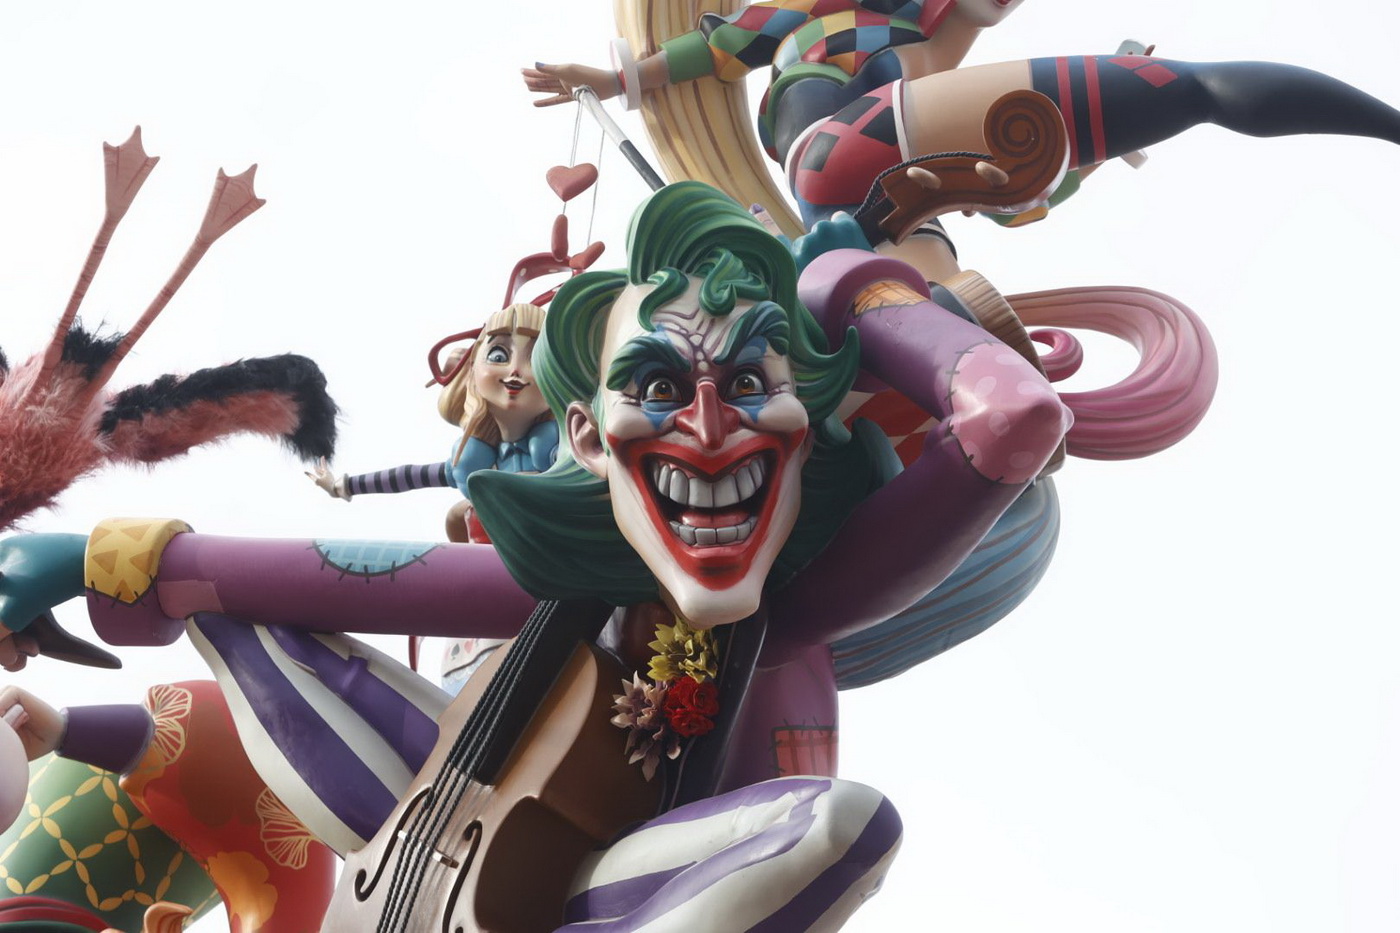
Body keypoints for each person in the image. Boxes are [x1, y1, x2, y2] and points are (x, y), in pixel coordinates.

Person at [0, 182, 1068, 929]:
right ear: (589, 438)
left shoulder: (803, 597)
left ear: (803, 424)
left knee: (838, 827)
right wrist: (99, 556)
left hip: (641, 883)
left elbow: (1009, 417)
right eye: (658, 386)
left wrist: (855, 287)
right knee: (248, 638)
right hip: (416, 835)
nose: (706, 427)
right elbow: (346, 579)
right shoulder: (570, 573)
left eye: (749, 385)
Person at [526, 0, 1400, 238]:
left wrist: (1091, 153)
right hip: (828, 150)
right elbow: (721, 46)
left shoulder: (935, 73)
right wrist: (613, 77)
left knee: (1177, 94)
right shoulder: (826, 17)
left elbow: (1011, 197)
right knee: (1185, 88)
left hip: (882, 214)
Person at [309, 302, 556, 545]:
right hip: (497, 561)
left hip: (558, 553)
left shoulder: (563, 453)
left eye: (536, 358)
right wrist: (343, 485)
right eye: (498, 355)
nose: (515, 370)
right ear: (472, 369)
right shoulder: (472, 460)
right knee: (467, 513)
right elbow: (411, 476)